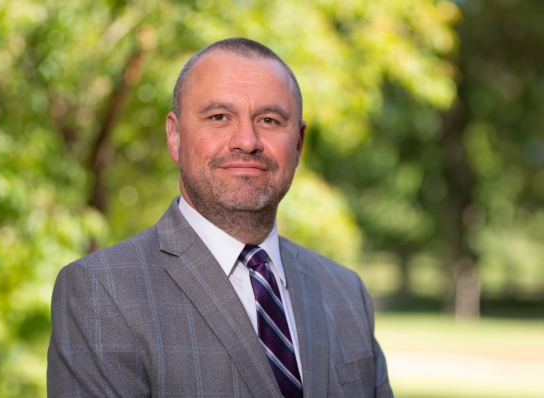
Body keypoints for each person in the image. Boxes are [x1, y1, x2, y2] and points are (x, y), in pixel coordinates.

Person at [47, 38, 393, 398]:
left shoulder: (345, 292)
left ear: (299, 143)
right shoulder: (101, 291)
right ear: (175, 136)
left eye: (270, 120)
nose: (247, 140)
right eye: (219, 117)